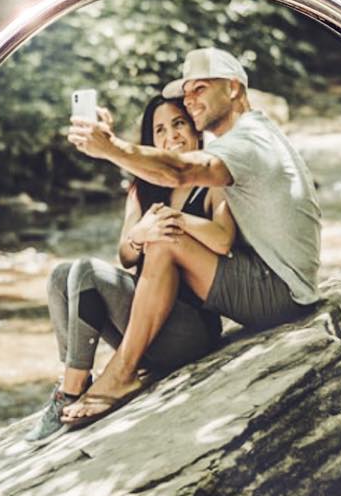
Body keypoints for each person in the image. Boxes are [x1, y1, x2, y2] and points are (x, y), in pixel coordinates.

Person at [59, 46, 322, 424]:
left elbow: (181, 172)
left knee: (166, 239)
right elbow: (129, 250)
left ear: (233, 88)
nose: (190, 100)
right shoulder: (249, 134)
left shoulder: (247, 141)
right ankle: (89, 378)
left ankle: (122, 373)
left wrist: (111, 148)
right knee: (103, 261)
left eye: (200, 88)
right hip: (275, 282)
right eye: (186, 93)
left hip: (281, 292)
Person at [28, 95, 236, 441]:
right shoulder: (143, 188)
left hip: (191, 331)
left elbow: (224, 240)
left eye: (179, 123)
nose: (171, 135)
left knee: (88, 271)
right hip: (146, 327)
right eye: (160, 130)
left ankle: (71, 392)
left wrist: (175, 220)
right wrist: (140, 235)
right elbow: (126, 256)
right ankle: (75, 378)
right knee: (61, 275)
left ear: (196, 130)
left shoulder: (211, 179)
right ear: (150, 141)